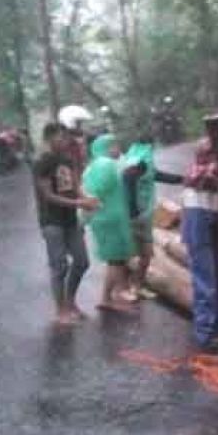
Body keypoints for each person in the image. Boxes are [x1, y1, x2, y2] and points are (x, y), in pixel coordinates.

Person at [33, 122, 100, 325]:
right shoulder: (42, 162)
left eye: (65, 137)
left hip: (70, 218)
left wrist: (88, 199)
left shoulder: (67, 160)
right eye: (60, 137)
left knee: (82, 261)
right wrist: (80, 202)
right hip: (51, 221)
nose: (64, 141)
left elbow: (75, 186)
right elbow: (48, 195)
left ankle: (71, 302)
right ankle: (60, 310)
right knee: (59, 266)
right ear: (49, 139)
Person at [181, 137, 218, 348]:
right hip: (198, 218)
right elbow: (209, 178)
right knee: (205, 278)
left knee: (213, 275)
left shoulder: (209, 172)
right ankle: (205, 335)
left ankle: (214, 329)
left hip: (208, 216)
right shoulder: (200, 173)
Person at [122, 134, 183, 299]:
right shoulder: (138, 160)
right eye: (151, 145)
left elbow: (155, 175)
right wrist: (133, 209)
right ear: (148, 144)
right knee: (133, 253)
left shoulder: (139, 158)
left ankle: (137, 285)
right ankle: (125, 288)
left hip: (143, 212)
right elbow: (127, 181)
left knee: (146, 253)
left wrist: (180, 179)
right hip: (136, 213)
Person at [82, 133, 137, 313]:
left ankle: (117, 293)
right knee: (116, 260)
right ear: (103, 148)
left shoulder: (93, 166)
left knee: (116, 259)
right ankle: (105, 298)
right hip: (109, 217)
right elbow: (99, 191)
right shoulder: (106, 165)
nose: (117, 149)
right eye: (113, 146)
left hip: (103, 217)